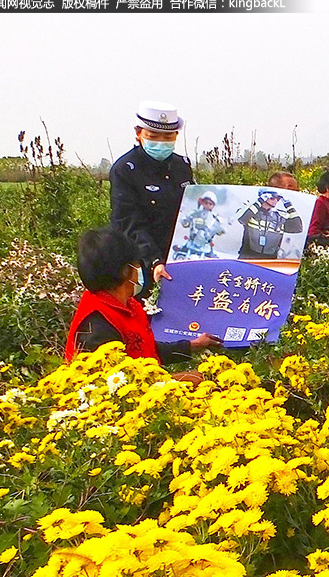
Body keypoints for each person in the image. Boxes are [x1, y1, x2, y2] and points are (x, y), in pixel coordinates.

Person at [65, 227, 220, 378]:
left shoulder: (126, 304)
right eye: (137, 264)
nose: (140, 269)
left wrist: (193, 345)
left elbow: (145, 348)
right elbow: (119, 384)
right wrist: (181, 378)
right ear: (125, 271)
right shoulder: (97, 323)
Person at [109, 101, 193, 292]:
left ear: (176, 136)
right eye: (153, 136)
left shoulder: (182, 167)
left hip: (179, 259)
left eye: (168, 136)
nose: (161, 142)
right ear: (139, 134)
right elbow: (127, 223)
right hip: (141, 262)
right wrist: (154, 260)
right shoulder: (125, 170)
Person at [237, 189, 304, 259]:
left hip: (270, 259)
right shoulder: (251, 211)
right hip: (247, 256)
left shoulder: (280, 216)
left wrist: (288, 205)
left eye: (278, 198)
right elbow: (242, 220)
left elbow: (298, 228)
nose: (275, 201)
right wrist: (260, 201)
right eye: (272, 197)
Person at [175, 190, 225, 258]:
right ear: (202, 202)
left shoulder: (215, 217)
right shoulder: (195, 213)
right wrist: (185, 220)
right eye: (206, 202)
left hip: (206, 242)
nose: (207, 205)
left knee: (213, 258)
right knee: (180, 250)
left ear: (213, 206)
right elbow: (186, 222)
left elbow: (219, 228)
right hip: (193, 239)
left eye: (210, 204)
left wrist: (221, 230)